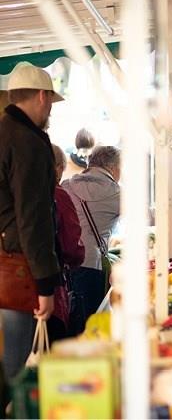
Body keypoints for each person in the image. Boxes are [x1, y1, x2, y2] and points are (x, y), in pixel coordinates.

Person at [0, 65, 63, 380]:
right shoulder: (28, 142)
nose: (50, 108)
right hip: (17, 268)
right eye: (50, 100)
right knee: (18, 366)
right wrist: (45, 284)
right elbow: (33, 218)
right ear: (42, 96)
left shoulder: (3, 132)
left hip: (5, 259)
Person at [62, 146, 121, 334]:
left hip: (66, 263)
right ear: (113, 168)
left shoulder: (66, 186)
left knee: (74, 316)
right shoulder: (113, 192)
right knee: (94, 321)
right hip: (91, 265)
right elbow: (147, 214)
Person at [50, 144, 85, 342]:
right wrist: (75, 260)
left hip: (14, 286)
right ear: (57, 168)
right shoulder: (58, 195)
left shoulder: (14, 191)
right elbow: (72, 244)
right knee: (53, 345)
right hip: (51, 286)